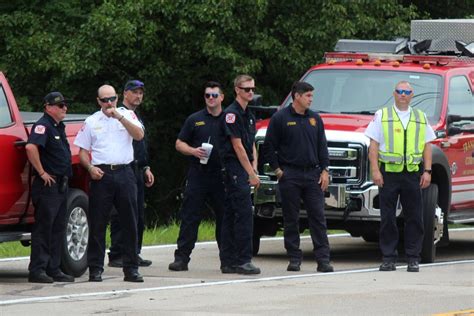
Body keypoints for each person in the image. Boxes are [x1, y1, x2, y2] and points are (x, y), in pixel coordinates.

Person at [74, 84, 145, 282]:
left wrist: (119, 117)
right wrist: (89, 168)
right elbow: (82, 151)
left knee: (130, 222)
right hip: (102, 174)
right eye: (104, 100)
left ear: (116, 98)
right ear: (98, 101)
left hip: (124, 172)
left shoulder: (127, 115)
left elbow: (139, 136)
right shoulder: (91, 121)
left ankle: (131, 268)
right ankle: (95, 269)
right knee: (97, 223)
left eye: (111, 99)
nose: (109, 103)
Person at [263, 81, 334, 273]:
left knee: (318, 218)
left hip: (313, 175)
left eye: (312, 95)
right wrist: (278, 170)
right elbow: (269, 147)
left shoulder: (315, 119)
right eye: (308, 96)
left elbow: (322, 147)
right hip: (290, 174)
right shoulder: (280, 118)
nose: (311, 99)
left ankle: (323, 259)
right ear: (297, 96)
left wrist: (325, 170)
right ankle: (294, 258)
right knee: (291, 218)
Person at [365, 81, 436, 272]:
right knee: (387, 217)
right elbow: (373, 145)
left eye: (407, 92)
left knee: (414, 217)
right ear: (394, 94)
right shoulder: (382, 115)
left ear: (412, 95)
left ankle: (413, 258)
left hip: (412, 174)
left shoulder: (420, 117)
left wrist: (427, 171)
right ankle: (388, 258)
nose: (403, 94)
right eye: (399, 91)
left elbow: (427, 146)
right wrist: (375, 170)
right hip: (388, 174)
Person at [168, 81, 226, 271]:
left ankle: (227, 259)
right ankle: (182, 258)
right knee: (190, 216)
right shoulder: (195, 119)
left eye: (214, 95)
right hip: (198, 174)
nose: (211, 98)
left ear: (222, 97)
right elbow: (179, 143)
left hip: (221, 175)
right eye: (207, 95)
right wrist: (193, 151)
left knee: (225, 218)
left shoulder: (229, 118)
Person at [25, 92, 75, 283]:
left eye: (65, 105)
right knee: (44, 228)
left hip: (61, 184)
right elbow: (31, 148)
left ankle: (53, 268)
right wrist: (42, 172)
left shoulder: (58, 127)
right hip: (48, 185)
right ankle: (37, 269)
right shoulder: (42, 126)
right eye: (60, 105)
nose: (64, 108)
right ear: (48, 107)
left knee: (58, 228)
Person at [108, 80, 155, 268]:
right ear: (125, 93)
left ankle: (134, 252)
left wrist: (146, 167)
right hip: (124, 169)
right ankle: (117, 253)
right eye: (134, 92)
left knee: (138, 214)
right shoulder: (118, 115)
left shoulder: (136, 116)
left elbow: (140, 145)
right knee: (122, 213)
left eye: (141, 93)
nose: (138, 96)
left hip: (138, 169)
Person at [219, 74, 261, 275]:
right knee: (243, 215)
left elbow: (251, 143)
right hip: (235, 168)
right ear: (237, 90)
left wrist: (255, 166)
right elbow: (237, 146)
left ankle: (229, 261)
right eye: (246, 89)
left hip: (245, 167)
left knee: (232, 213)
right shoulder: (231, 114)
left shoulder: (249, 115)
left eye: (252, 89)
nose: (251, 92)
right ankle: (242, 260)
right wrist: (250, 172)